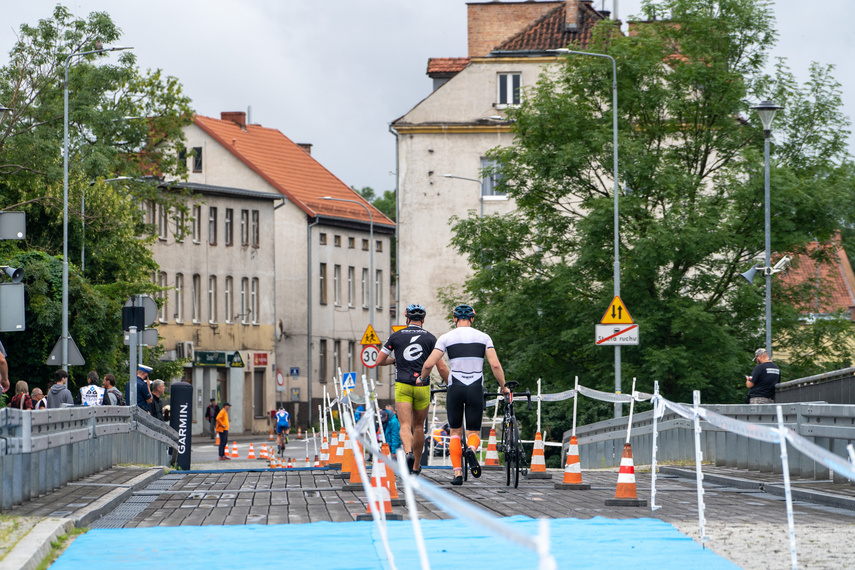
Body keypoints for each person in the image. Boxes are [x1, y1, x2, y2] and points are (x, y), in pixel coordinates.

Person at [420, 304, 510, 486]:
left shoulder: (446, 338)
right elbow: (495, 365)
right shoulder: (484, 337)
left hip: (456, 387)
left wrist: (422, 378)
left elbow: (429, 364)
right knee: (473, 431)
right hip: (475, 386)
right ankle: (471, 448)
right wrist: (504, 387)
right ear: (473, 319)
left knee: (454, 431)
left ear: (454, 319)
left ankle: (457, 473)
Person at [376, 303, 449, 475]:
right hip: (422, 386)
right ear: (423, 320)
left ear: (406, 318)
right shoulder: (431, 339)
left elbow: (379, 360)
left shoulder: (395, 336)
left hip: (402, 385)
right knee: (418, 426)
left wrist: (394, 361)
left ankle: (408, 452)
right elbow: (442, 367)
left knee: (405, 425)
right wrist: (449, 383)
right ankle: (416, 465)